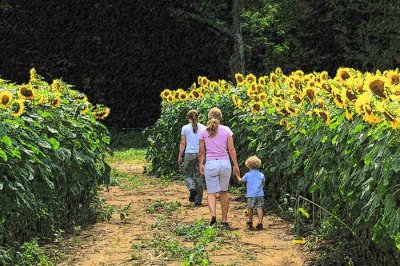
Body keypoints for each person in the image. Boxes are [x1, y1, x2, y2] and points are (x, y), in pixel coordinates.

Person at [199, 107, 240, 227]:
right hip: (224, 163)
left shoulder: (203, 132)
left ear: (208, 117)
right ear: (221, 117)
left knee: (211, 193)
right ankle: (225, 219)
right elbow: (231, 149)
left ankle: (213, 215)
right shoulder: (227, 130)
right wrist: (236, 165)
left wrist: (201, 164)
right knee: (224, 192)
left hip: (211, 164)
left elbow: (202, 151)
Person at [178, 109, 206, 206]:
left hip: (189, 154)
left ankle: (191, 188)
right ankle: (198, 201)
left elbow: (183, 143)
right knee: (199, 176)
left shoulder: (185, 128)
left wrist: (180, 155)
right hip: (200, 154)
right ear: (198, 117)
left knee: (187, 175)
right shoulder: (203, 127)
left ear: (188, 118)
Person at [235, 155, 265, 230]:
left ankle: (250, 222)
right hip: (260, 194)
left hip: (251, 195)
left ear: (248, 165)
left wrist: (237, 175)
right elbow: (263, 183)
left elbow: (240, 181)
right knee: (259, 208)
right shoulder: (261, 174)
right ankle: (260, 222)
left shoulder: (247, 175)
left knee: (250, 208)